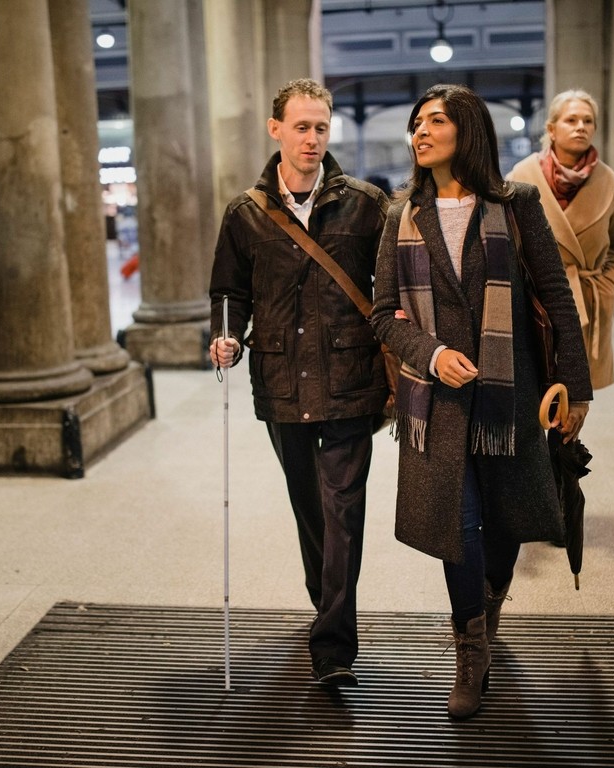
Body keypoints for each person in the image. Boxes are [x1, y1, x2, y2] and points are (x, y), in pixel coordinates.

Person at [370, 84, 593, 719]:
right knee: (457, 526)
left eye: (435, 121)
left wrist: (577, 387)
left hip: (511, 394)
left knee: (506, 520)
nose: (420, 131)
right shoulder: (400, 214)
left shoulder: (516, 205)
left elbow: (554, 295)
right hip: (436, 401)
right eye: (416, 122)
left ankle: (492, 600)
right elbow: (384, 314)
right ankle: (470, 644)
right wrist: (432, 354)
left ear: (467, 130)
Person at [208, 78, 390, 687]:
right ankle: (325, 597)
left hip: (349, 381)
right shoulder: (245, 215)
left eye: (321, 127)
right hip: (281, 382)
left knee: (344, 512)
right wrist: (225, 334)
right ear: (276, 129)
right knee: (309, 508)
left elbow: (388, 291)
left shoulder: (367, 205)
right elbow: (229, 290)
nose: (312, 138)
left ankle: (334, 647)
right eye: (302, 126)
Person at [507, 89, 614, 390]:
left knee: (575, 394)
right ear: (551, 129)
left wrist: (605, 284)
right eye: (571, 120)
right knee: (534, 388)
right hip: (535, 300)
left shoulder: (610, 182)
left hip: (587, 299)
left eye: (588, 121)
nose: (581, 127)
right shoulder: (519, 177)